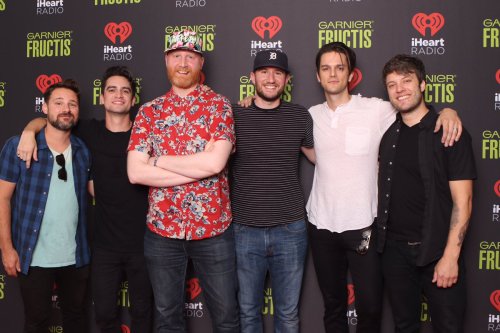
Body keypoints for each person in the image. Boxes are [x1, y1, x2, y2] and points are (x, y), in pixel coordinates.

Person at [306, 42, 462, 333]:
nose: (333, 74)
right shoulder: (309, 116)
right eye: (326, 68)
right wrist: (251, 100)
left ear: (351, 74)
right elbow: (303, 143)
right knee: (333, 306)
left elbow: (416, 111)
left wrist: (448, 112)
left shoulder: (377, 109)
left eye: (340, 67)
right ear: (317, 75)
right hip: (321, 224)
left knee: (371, 309)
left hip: (365, 225)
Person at [17, 66, 154, 333]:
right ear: (101, 98)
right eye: (111, 90)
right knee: (103, 315)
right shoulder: (87, 132)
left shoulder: (146, 132)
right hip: (102, 245)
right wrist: (28, 130)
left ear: (134, 99)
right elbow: (54, 122)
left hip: (146, 243)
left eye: (125, 90)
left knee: (144, 312)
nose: (118, 95)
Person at [126, 30, 239, 333]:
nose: (183, 63)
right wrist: (198, 166)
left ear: (201, 62)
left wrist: (158, 161)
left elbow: (215, 163)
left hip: (213, 229)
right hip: (162, 231)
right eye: (177, 56)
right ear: (167, 60)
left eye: (190, 56)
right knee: (167, 319)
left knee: (227, 318)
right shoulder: (149, 111)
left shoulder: (219, 105)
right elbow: (136, 172)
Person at [377, 54, 476, 333]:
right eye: (392, 84)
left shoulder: (449, 132)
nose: (400, 90)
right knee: (404, 326)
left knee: (448, 327)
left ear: (422, 85)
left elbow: (463, 200)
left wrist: (450, 257)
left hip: (437, 252)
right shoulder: (389, 135)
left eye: (407, 81)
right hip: (394, 252)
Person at [231, 49, 314, 333]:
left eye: (278, 72)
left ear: (286, 79)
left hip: (290, 230)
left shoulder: (300, 116)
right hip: (244, 230)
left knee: (288, 316)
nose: (271, 78)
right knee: (248, 313)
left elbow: (324, 156)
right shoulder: (233, 115)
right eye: (264, 71)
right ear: (252, 77)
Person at [0, 79, 91, 333]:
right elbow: (2, 198)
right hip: (33, 255)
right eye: (59, 103)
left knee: (76, 319)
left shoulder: (83, 151)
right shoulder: (19, 146)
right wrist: (7, 249)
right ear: (45, 108)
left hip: (76, 255)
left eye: (72, 104)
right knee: (36, 322)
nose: (66, 109)